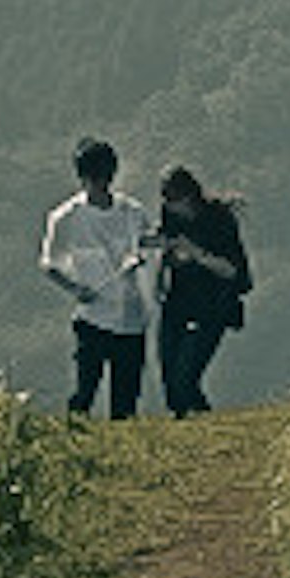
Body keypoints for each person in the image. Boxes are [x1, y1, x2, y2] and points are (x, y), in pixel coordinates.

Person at [39, 133, 153, 417]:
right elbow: (48, 264)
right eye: (94, 179)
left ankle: (126, 448)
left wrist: (140, 256)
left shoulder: (132, 211)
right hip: (92, 317)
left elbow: (146, 244)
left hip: (131, 315)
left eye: (104, 178)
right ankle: (76, 443)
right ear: (83, 178)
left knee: (125, 399)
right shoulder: (65, 216)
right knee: (84, 391)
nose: (100, 185)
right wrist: (76, 289)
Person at [152, 167, 252, 413]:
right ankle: (186, 425)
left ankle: (202, 422)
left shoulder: (218, 219)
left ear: (188, 198)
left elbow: (233, 272)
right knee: (169, 373)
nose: (171, 207)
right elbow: (168, 247)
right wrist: (159, 276)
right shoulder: (170, 214)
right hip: (179, 299)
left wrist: (196, 253)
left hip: (213, 304)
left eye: (174, 201)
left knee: (185, 378)